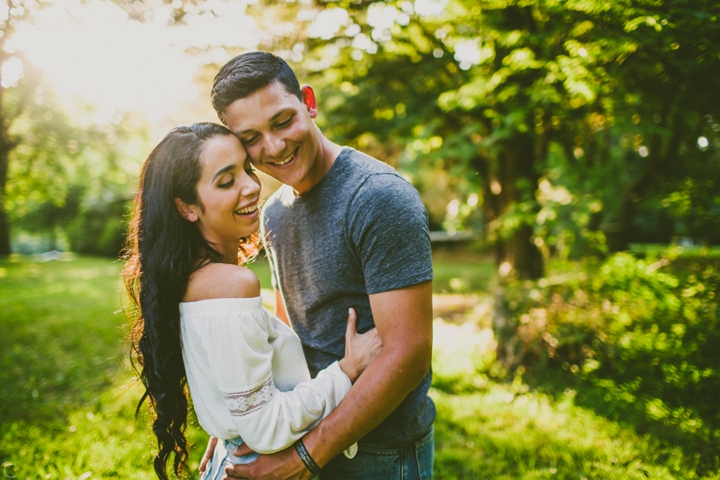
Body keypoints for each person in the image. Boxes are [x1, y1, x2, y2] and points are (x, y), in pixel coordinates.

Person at [209, 51, 435, 479]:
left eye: (282, 121)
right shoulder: (272, 211)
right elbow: (286, 326)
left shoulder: (377, 197)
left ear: (308, 102)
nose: (274, 147)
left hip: (378, 452)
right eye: (252, 138)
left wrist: (305, 457)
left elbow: (409, 349)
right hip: (305, 427)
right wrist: (238, 424)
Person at [122, 122, 383, 480]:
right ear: (186, 208)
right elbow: (267, 428)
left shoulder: (186, 279)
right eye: (226, 181)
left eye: (247, 168)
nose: (252, 186)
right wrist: (346, 370)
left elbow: (243, 400)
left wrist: (235, 420)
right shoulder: (231, 285)